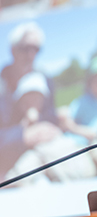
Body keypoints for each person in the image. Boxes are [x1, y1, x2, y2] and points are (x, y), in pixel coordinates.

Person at [0, 22, 60, 180]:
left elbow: (51, 116)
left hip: (43, 151)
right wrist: (22, 135)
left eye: (36, 49)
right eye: (25, 48)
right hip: (6, 162)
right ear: (12, 50)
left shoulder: (45, 79)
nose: (31, 55)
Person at [59, 54, 97, 175]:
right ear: (90, 82)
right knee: (85, 172)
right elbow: (67, 121)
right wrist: (78, 129)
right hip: (75, 143)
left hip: (95, 142)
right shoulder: (82, 101)